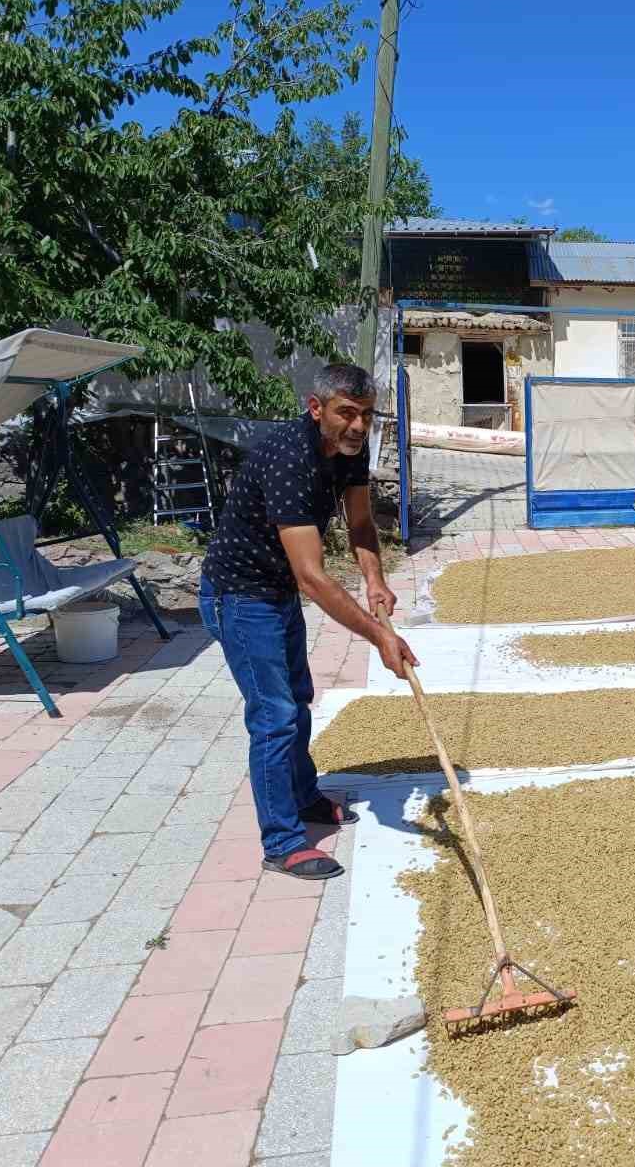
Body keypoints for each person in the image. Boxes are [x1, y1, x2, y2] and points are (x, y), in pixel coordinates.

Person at [198, 362, 417, 881]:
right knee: (274, 715)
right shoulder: (289, 459)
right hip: (240, 596)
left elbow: (361, 523)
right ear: (316, 409)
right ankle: (282, 842)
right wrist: (380, 636)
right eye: (346, 413)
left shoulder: (350, 450)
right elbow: (313, 579)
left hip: (273, 593)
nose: (359, 426)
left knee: (296, 698)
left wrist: (376, 580)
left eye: (366, 414)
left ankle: (303, 796)